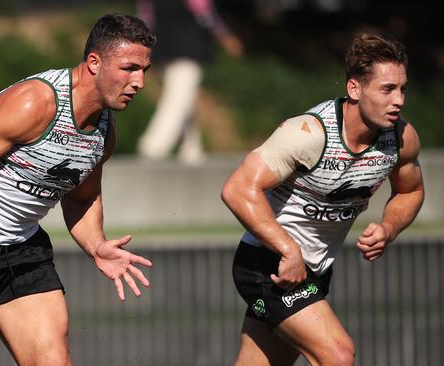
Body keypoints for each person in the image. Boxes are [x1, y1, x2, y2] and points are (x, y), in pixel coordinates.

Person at [0, 13, 156, 365]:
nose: (139, 82)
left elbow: (82, 196)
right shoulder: (36, 103)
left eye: (144, 71)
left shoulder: (104, 133)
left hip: (23, 251)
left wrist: (96, 245)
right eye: (129, 68)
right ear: (93, 63)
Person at [221, 32, 424, 365]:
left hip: (313, 271)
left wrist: (389, 227)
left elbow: (411, 190)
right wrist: (288, 249)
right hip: (268, 265)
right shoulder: (309, 134)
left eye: (403, 89)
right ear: (354, 89)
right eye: (387, 89)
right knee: (338, 354)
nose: (398, 100)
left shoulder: (400, 139)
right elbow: (238, 188)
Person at [136, 0, 243, 165]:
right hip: (187, 48)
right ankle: (154, 145)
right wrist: (225, 36)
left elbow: (146, 18)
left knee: (184, 97)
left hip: (162, 49)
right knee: (178, 99)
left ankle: (191, 148)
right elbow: (206, 15)